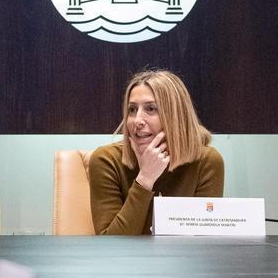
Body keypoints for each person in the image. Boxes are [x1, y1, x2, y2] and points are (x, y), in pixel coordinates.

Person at [89, 69, 225, 235]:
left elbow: (205, 240)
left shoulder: (206, 161)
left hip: (183, 253)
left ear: (175, 115)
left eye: (151, 109)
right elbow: (111, 244)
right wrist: (145, 180)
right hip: (125, 254)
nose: (137, 120)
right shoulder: (106, 160)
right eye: (132, 110)